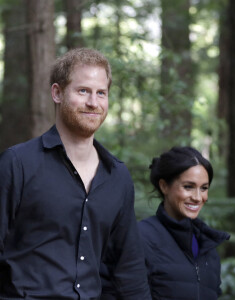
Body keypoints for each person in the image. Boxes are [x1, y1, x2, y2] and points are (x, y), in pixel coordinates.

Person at [0, 48, 151, 299]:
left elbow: (129, 269)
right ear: (57, 93)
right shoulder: (17, 164)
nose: (93, 103)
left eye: (101, 93)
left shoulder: (117, 177)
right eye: (83, 91)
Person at [138, 146, 230, 300]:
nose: (198, 197)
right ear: (164, 186)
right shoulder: (140, 237)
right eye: (188, 187)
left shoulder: (208, 246)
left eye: (204, 188)